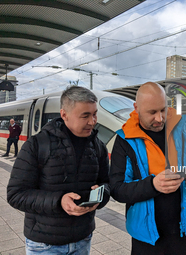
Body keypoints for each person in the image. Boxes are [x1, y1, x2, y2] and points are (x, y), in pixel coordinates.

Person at [110, 82, 186, 255]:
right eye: (152, 112)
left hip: (183, 231)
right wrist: (153, 185)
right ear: (136, 108)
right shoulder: (125, 139)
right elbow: (117, 189)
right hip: (146, 238)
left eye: (163, 110)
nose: (159, 118)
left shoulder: (185, 128)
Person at [7, 86, 110, 254]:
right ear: (64, 115)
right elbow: (16, 194)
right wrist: (58, 201)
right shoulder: (37, 145)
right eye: (85, 116)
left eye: (94, 114)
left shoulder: (98, 147)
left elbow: (107, 183)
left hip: (83, 239)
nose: (92, 121)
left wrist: (102, 195)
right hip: (44, 244)